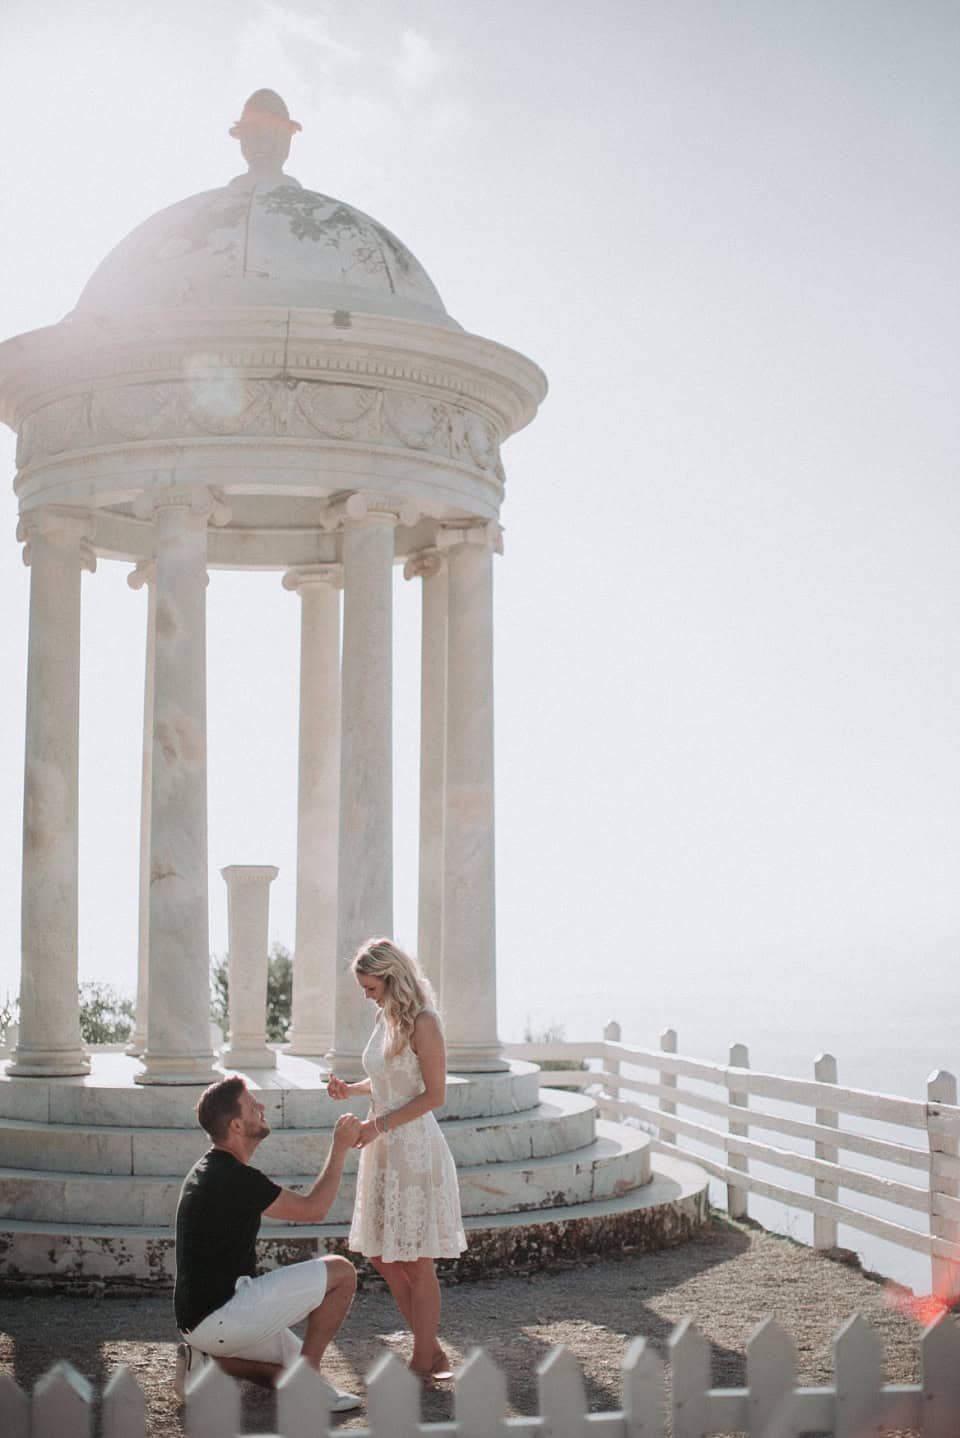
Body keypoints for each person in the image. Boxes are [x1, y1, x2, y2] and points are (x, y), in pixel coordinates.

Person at [173, 1074, 362, 1411]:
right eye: (251, 1105)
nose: (261, 1106)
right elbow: (315, 1209)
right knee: (343, 1273)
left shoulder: (209, 1168)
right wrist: (340, 1147)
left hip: (198, 1321)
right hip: (224, 1314)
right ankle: (305, 1380)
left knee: (292, 1366)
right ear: (236, 1126)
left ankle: (210, 1361)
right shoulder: (234, 1178)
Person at [327, 937, 466, 1384]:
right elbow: (387, 1077)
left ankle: (423, 1359)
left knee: (416, 1260)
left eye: (371, 988)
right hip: (382, 1149)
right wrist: (351, 1089)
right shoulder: (385, 1017)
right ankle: (433, 1350)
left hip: (414, 1151)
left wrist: (378, 1125)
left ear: (392, 978)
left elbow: (434, 1094)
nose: (368, 997)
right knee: (384, 1256)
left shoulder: (425, 1021)